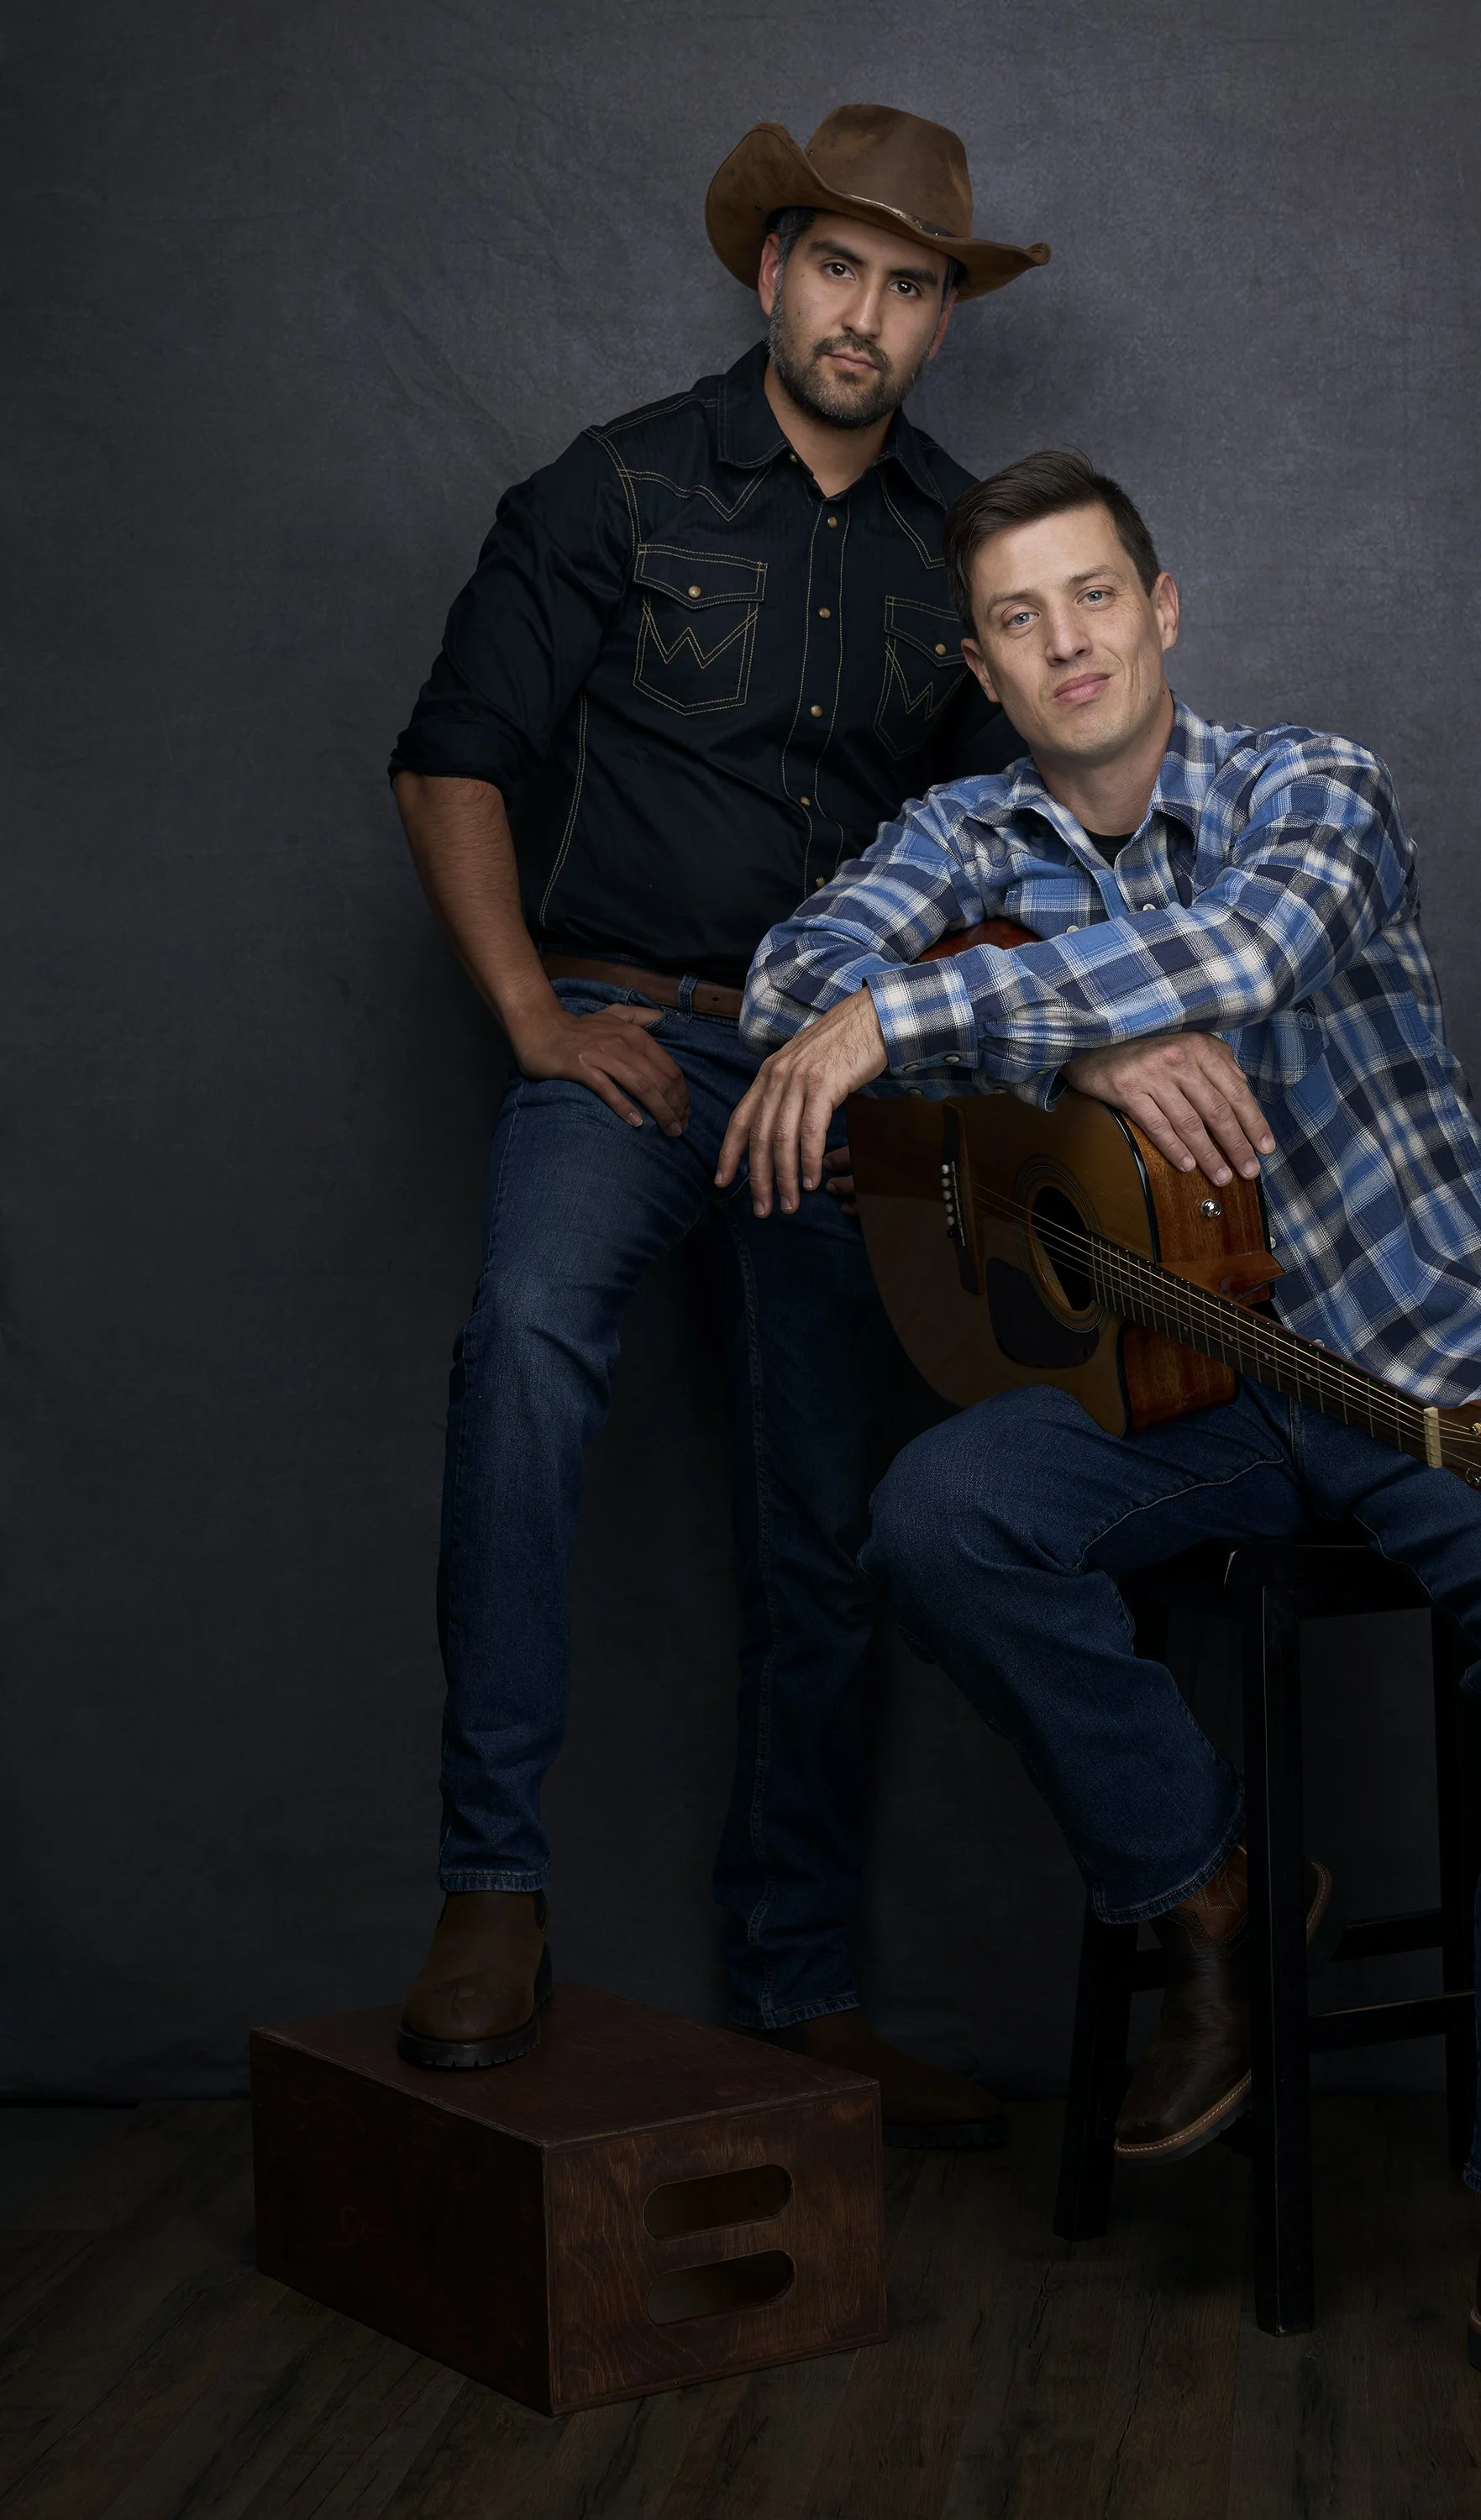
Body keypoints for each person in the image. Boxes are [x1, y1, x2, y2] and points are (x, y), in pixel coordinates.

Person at [717, 449, 1481, 2437]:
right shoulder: (964, 831)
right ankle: (1211, 1890)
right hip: (1177, 1393)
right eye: (1019, 620)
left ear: (1163, 607)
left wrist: (961, 1019)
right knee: (937, 1518)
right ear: (983, 666)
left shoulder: (1315, 787)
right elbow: (791, 981)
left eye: (1093, 597)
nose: (1066, 645)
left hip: (1429, 1366)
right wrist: (1072, 1039)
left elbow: (1243, 960)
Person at [386, 106, 1050, 2145]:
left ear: (942, 321)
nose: (865, 315)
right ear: (771, 273)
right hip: (626, 1037)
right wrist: (532, 1018)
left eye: (909, 285)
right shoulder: (613, 487)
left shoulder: (960, 555)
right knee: (524, 1350)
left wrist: (912, 1044)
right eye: (836, 267)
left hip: (836, 1083)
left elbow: (997, 852)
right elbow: (453, 758)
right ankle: (493, 1892)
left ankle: (799, 1985)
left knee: (826, 1507)